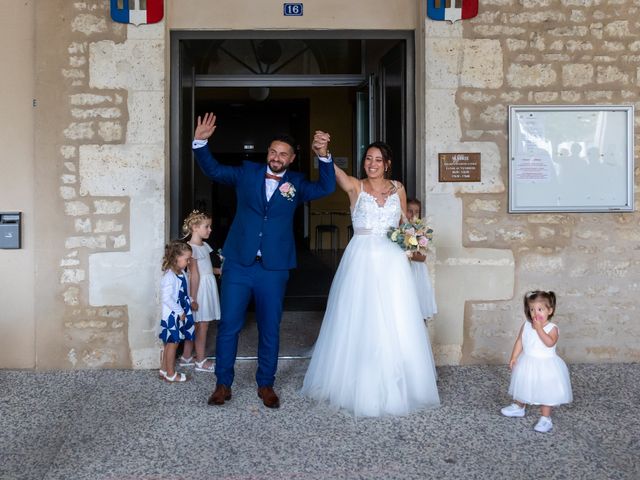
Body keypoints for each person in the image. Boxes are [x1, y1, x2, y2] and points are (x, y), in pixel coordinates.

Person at [192, 113, 336, 408]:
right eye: (273, 151)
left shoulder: (296, 183)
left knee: (270, 327)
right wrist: (201, 142)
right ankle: (223, 384)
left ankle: (266, 384)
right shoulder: (247, 173)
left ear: (292, 158)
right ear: (267, 153)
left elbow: (326, 188)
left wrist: (323, 156)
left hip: (274, 268)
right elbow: (214, 170)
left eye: (283, 154)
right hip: (239, 264)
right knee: (229, 325)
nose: (276, 157)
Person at [301, 141, 440, 417]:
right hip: (362, 259)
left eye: (378, 159)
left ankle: (400, 379)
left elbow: (403, 223)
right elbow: (335, 173)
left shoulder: (398, 188)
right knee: (361, 316)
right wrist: (323, 152)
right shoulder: (356, 186)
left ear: (387, 163)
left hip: (392, 261)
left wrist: (414, 240)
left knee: (395, 315)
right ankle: (357, 381)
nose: (372, 164)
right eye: (368, 159)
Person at [501, 290, 572, 433]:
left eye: (540, 309)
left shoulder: (552, 329)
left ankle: (545, 418)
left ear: (550, 311)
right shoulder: (526, 325)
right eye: (532, 309)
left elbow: (549, 343)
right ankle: (519, 406)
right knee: (524, 383)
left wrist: (540, 329)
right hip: (527, 361)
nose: (535, 313)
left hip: (546, 365)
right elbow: (520, 341)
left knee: (546, 391)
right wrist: (514, 357)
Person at [178, 210, 221, 373]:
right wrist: (193, 298)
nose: (210, 230)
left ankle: (187, 356)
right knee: (202, 325)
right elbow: (194, 274)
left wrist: (221, 270)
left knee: (196, 323)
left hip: (207, 285)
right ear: (195, 227)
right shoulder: (191, 248)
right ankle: (201, 361)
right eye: (207, 226)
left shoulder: (204, 246)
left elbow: (208, 269)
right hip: (200, 289)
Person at [158, 240, 195, 383]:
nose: (189, 262)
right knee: (172, 343)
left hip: (178, 315)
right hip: (172, 317)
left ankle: (163, 369)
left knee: (170, 343)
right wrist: (180, 311)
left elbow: (183, 293)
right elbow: (167, 298)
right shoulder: (169, 276)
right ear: (176, 258)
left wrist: (191, 301)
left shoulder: (181, 273)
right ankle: (171, 373)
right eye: (187, 259)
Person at [406, 198, 437, 320]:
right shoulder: (398, 229)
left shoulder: (421, 231)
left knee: (416, 302)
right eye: (409, 211)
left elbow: (422, 257)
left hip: (416, 270)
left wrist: (406, 254)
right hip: (402, 269)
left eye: (416, 211)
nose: (413, 215)